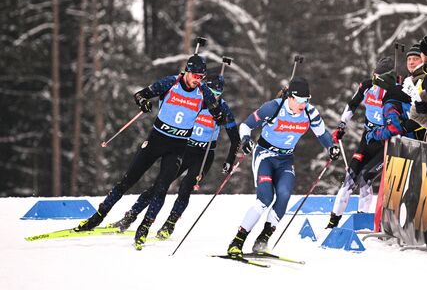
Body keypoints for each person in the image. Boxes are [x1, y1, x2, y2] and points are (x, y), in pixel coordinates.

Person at [74, 55, 227, 237]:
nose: (197, 80)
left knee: (161, 188)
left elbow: (217, 111)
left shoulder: (204, 92)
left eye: (201, 77)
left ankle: (144, 227)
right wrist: (143, 102)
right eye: (195, 75)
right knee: (128, 180)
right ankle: (97, 217)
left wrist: (219, 117)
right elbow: (140, 94)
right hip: (156, 141)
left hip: (177, 147)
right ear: (187, 71)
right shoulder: (170, 83)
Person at [106, 75, 240, 242]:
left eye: (218, 93)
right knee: (159, 186)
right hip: (184, 148)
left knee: (186, 187)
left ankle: (170, 223)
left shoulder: (221, 108)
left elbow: (235, 138)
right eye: (211, 92)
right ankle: (131, 216)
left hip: (203, 155)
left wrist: (229, 160)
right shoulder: (196, 98)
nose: (214, 97)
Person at [226, 77, 340, 257]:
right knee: (265, 198)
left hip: (285, 158)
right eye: (301, 100)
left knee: (285, 194)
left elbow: (322, 134)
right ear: (291, 98)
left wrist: (331, 146)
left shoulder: (310, 113)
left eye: (307, 100)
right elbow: (246, 125)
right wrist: (246, 140)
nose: (304, 104)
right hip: (265, 155)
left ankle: (263, 239)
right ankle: (237, 240)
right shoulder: (273, 107)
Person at [327, 70, 414, 228]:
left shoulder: (397, 92)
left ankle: (363, 222)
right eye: (374, 76)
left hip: (385, 142)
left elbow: (409, 116)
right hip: (368, 139)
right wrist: (342, 125)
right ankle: (333, 222)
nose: (375, 84)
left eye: (378, 78)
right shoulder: (368, 86)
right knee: (349, 178)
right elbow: (352, 104)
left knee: (365, 177)